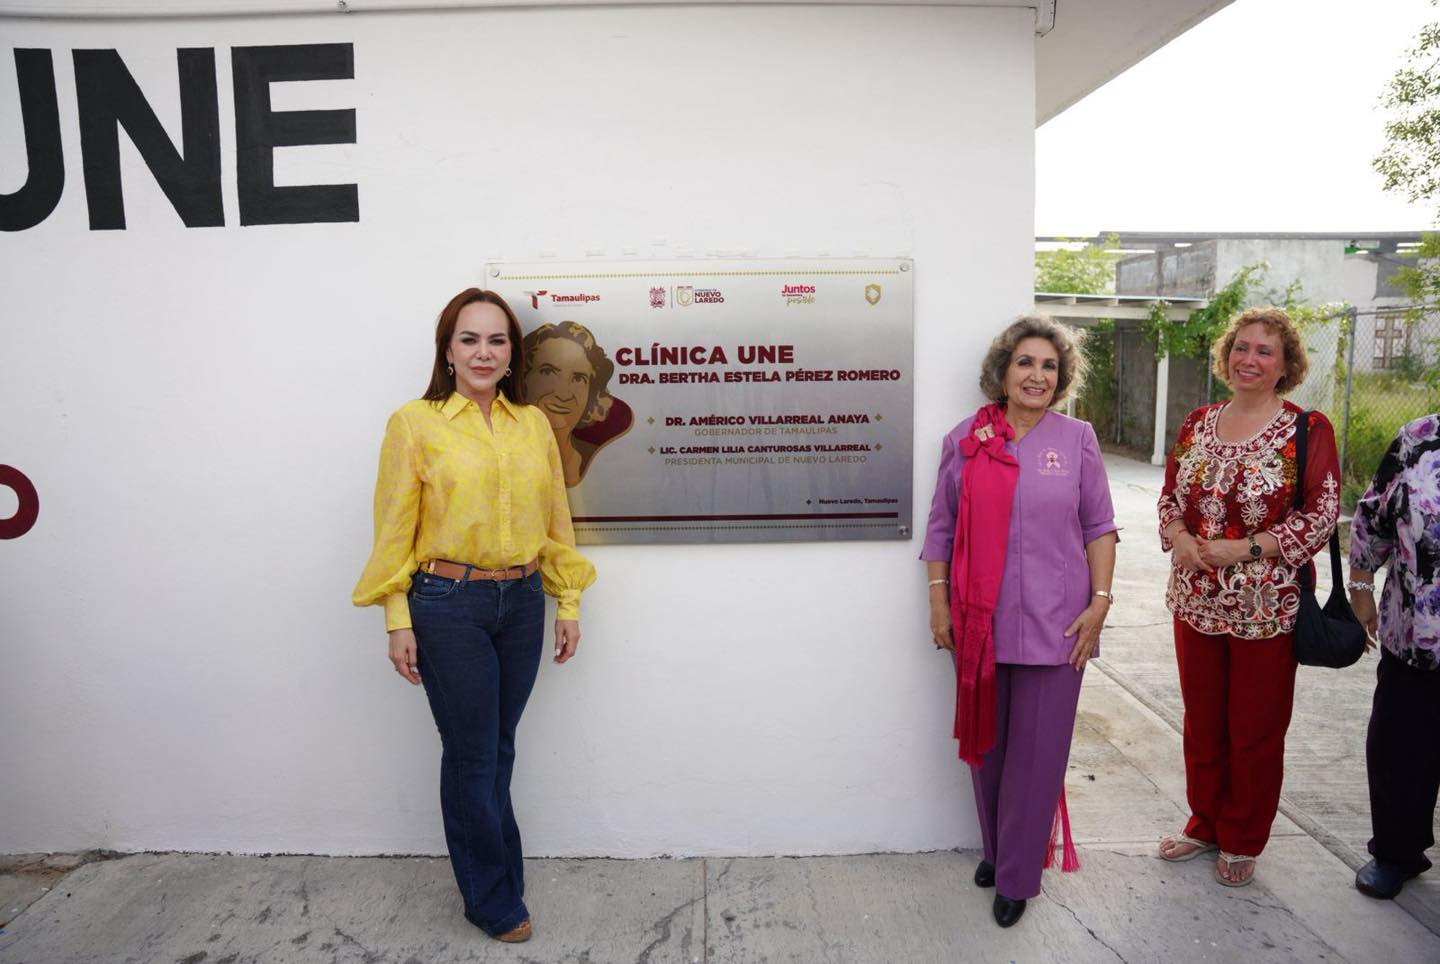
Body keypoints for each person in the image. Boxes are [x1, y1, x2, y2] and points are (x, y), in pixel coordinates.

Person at [352, 288, 596, 943]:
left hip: (519, 604)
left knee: (499, 749)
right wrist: (396, 617)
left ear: (513, 352)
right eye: (469, 339)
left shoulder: (532, 425)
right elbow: (393, 528)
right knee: (471, 756)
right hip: (446, 605)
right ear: (448, 350)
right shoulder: (415, 424)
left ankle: (501, 879)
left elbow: (555, 522)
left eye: (496, 340)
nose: (483, 352)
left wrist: (566, 598)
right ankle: (491, 898)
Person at [921, 315, 1119, 928]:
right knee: (987, 746)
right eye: (1025, 363)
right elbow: (940, 530)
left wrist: (1100, 603)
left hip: (1060, 626)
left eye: (1049, 366)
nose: (1037, 375)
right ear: (1002, 372)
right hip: (978, 623)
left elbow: (1099, 527)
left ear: (1061, 378)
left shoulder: (1077, 438)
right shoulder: (965, 438)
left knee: (1038, 757)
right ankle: (999, 849)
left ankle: (1017, 876)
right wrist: (937, 603)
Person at [1155, 306, 1339, 887]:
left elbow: (1323, 514)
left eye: (1264, 351)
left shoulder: (1306, 429)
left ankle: (1242, 834)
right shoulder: (1195, 423)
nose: (1249, 359)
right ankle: (1205, 820)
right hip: (1195, 599)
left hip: (1267, 606)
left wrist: (1248, 549)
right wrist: (1180, 536)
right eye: (1241, 347)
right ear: (1226, 355)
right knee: (1202, 720)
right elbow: (1167, 499)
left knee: (1254, 726)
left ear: (1285, 365)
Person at [1347, 412, 1440, 900]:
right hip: (1416, 635)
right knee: (1401, 747)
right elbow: (1373, 515)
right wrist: (1361, 585)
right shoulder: (1420, 438)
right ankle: (1396, 852)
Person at [521, 321, 632, 487]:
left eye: (579, 378)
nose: (563, 394)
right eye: (548, 372)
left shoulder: (602, 460)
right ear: (523, 380)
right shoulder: (499, 453)